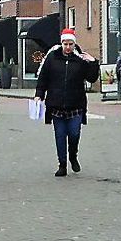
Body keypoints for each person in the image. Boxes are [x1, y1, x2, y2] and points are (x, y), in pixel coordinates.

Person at [34, 28, 99, 177]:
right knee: (60, 135)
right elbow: (43, 77)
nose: (68, 47)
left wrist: (93, 62)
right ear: (61, 43)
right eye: (65, 44)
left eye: (70, 44)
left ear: (74, 44)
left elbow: (92, 78)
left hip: (76, 104)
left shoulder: (80, 61)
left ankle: (73, 156)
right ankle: (62, 164)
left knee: (74, 133)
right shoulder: (52, 58)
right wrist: (39, 94)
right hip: (56, 104)